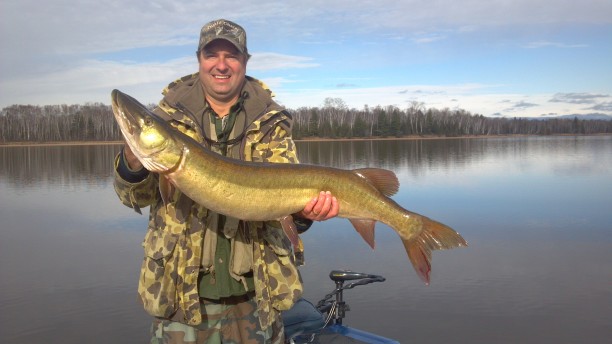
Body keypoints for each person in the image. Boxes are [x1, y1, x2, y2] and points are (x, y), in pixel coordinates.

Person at [113, 19, 339, 343]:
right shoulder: (167, 119)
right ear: (199, 59)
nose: (221, 64)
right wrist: (133, 164)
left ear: (245, 61)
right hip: (181, 300)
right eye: (212, 54)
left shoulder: (271, 122)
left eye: (231, 55)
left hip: (256, 298)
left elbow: (285, 205)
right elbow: (133, 198)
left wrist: (306, 215)